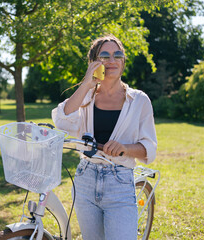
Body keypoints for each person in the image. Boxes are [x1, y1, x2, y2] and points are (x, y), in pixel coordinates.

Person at [52, 34, 157, 240]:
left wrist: (125, 148)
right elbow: (62, 121)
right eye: (105, 55)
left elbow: (149, 147)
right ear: (94, 62)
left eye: (118, 55)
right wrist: (86, 83)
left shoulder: (139, 100)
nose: (112, 60)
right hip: (85, 180)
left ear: (123, 61)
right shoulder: (86, 96)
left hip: (119, 183)